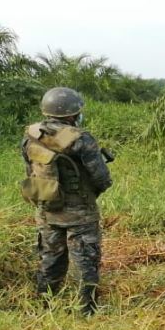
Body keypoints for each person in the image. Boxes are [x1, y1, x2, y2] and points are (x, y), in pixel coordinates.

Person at [20, 87, 113, 316]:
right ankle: (87, 310)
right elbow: (101, 178)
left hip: (46, 208)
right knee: (85, 261)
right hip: (80, 213)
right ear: (73, 114)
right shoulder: (81, 139)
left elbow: (30, 171)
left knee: (49, 259)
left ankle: (45, 306)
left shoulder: (32, 135)